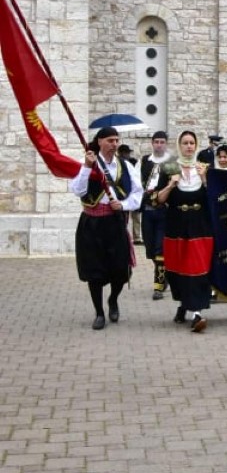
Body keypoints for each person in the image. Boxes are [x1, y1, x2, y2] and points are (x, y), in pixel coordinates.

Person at [69, 127, 143, 329]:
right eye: (110, 140)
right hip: (91, 223)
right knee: (95, 270)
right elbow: (76, 190)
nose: (114, 144)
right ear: (100, 141)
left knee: (121, 270)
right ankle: (99, 312)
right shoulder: (89, 163)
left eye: (117, 140)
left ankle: (113, 299)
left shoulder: (126, 166)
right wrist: (86, 167)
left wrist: (124, 205)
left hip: (114, 222)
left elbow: (138, 193)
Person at [156, 130, 213, 332]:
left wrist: (205, 180)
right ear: (179, 145)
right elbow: (158, 200)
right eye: (185, 142)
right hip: (176, 224)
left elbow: (214, 200)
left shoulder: (204, 168)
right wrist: (171, 185)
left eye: (192, 143)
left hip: (200, 226)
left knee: (197, 268)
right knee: (178, 268)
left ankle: (197, 313)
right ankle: (183, 305)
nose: (189, 146)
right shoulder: (169, 167)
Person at [138, 130, 173, 300]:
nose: (159, 145)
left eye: (162, 142)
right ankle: (164, 274)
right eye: (156, 142)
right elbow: (137, 184)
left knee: (160, 249)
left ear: (166, 143)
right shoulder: (145, 161)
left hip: (163, 212)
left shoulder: (171, 162)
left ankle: (158, 286)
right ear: (152, 143)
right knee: (151, 249)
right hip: (147, 211)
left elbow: (175, 184)